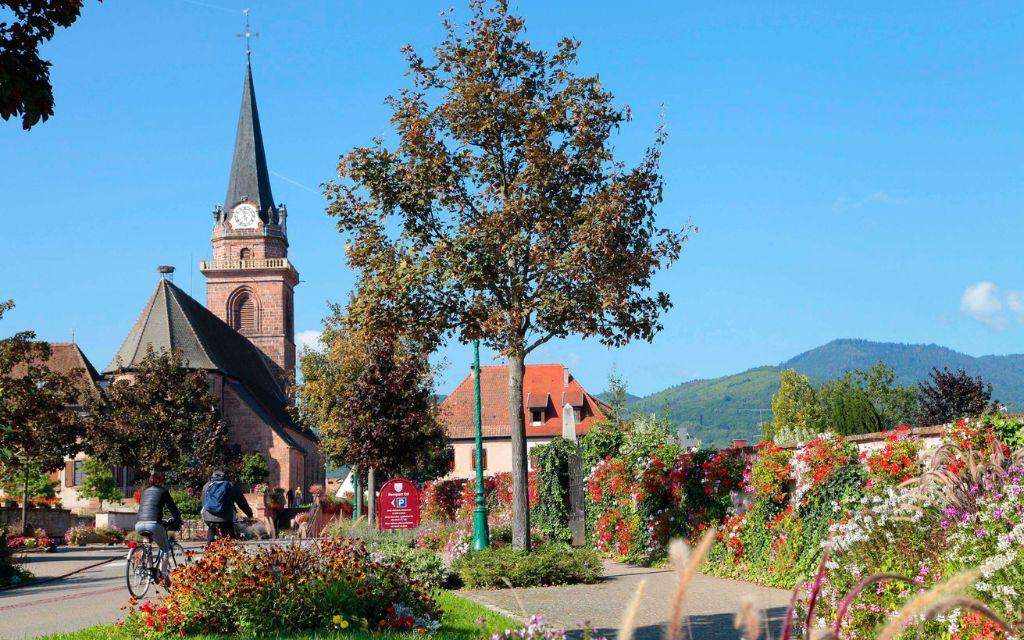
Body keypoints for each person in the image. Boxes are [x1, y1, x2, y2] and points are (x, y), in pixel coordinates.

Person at [134, 472, 182, 577]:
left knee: (147, 542)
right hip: (153, 524)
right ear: (161, 481)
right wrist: (178, 520)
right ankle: (163, 575)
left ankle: (142, 561)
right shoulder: (163, 491)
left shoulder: (144, 492)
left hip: (139, 524)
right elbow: (172, 508)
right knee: (165, 549)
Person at [201, 470, 253, 543]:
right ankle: (229, 549)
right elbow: (241, 502)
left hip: (208, 515)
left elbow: (203, 501)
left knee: (211, 529)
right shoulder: (232, 485)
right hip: (226, 516)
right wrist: (249, 514)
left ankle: (209, 548)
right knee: (228, 536)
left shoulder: (207, 485)